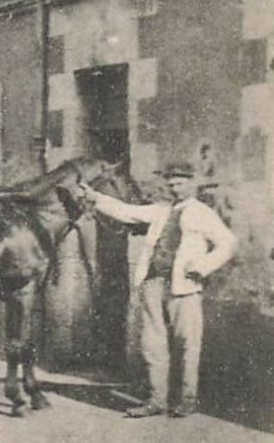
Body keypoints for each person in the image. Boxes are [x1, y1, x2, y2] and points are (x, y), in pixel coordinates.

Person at [80, 161, 237, 418]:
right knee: (152, 344)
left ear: (191, 183)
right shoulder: (160, 211)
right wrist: (95, 197)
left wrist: (203, 266)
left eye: (181, 184)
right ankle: (157, 400)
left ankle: (187, 400)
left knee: (187, 344)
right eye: (172, 184)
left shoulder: (201, 212)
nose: (176, 189)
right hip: (153, 283)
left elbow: (227, 243)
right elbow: (126, 211)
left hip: (184, 287)